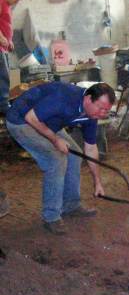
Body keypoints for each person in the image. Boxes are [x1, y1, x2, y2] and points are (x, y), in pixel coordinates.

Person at [6, 81, 115, 235]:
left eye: (106, 110)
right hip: (21, 121)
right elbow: (31, 117)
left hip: (46, 122)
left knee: (75, 155)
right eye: (101, 108)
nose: (102, 113)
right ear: (88, 99)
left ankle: (71, 205)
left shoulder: (91, 115)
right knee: (56, 159)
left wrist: (97, 182)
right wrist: (55, 140)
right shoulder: (64, 97)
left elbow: (90, 148)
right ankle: (51, 217)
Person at [0, 0, 25, 115]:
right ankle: (3, 107)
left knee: (4, 75)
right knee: (3, 76)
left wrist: (9, 41)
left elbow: (4, 25)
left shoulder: (7, 5)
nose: (17, 2)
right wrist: (1, 38)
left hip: (3, 47)